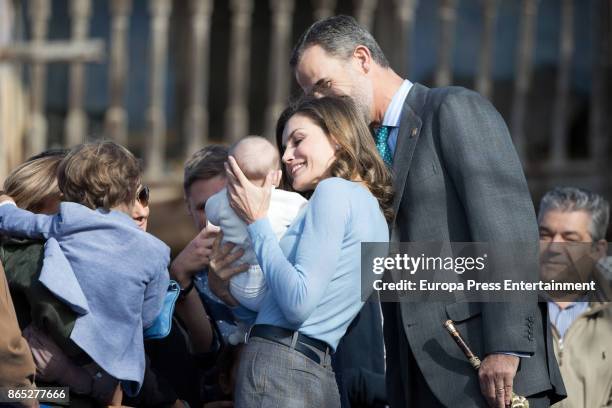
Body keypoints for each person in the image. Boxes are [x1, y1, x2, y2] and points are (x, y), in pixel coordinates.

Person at [290, 15, 565, 407]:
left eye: (324, 85)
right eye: (309, 96)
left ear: (363, 59)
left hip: (484, 368)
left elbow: (507, 228)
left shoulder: (452, 108)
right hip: (412, 375)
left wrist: (507, 347)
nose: (320, 103)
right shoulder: (362, 155)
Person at [219, 95, 392, 407]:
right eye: (285, 146)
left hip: (280, 369)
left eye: (298, 140)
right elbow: (289, 304)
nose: (286, 156)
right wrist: (225, 287)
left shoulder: (332, 191)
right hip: (317, 371)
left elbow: (298, 302)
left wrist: (257, 223)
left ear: (338, 137)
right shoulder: (377, 217)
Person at [0, 141, 170, 398]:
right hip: (105, 369)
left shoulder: (66, 224)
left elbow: (18, 221)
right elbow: (148, 316)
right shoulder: (156, 252)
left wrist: (5, 205)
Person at [205, 136, 307, 343]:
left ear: (229, 172)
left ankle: (242, 331)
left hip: (237, 283)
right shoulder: (291, 202)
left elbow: (211, 215)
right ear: (277, 177)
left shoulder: (220, 201)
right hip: (269, 283)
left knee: (246, 320)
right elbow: (306, 214)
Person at [537, 187, 612, 408]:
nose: (553, 247)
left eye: (570, 239)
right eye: (544, 234)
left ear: (597, 250)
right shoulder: (502, 308)